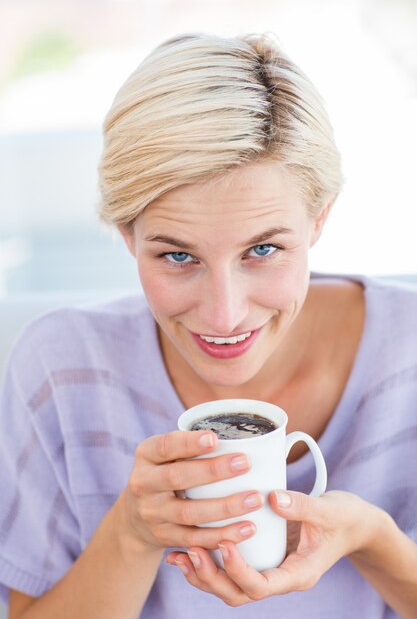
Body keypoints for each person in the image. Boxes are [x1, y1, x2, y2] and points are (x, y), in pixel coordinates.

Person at [0, 32, 416, 619]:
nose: (224, 316)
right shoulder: (60, 370)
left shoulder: (410, 352)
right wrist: (132, 533)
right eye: (177, 256)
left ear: (319, 219)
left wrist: (376, 540)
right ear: (127, 235)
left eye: (264, 250)